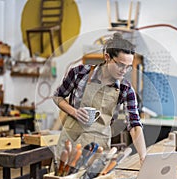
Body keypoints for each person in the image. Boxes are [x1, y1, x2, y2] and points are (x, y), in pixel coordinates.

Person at [53, 33, 146, 163]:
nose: (124, 70)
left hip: (98, 149)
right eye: (120, 65)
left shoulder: (126, 89)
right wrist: (74, 111)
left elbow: (135, 125)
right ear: (107, 57)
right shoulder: (79, 73)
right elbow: (58, 96)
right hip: (70, 145)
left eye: (128, 67)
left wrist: (143, 157)